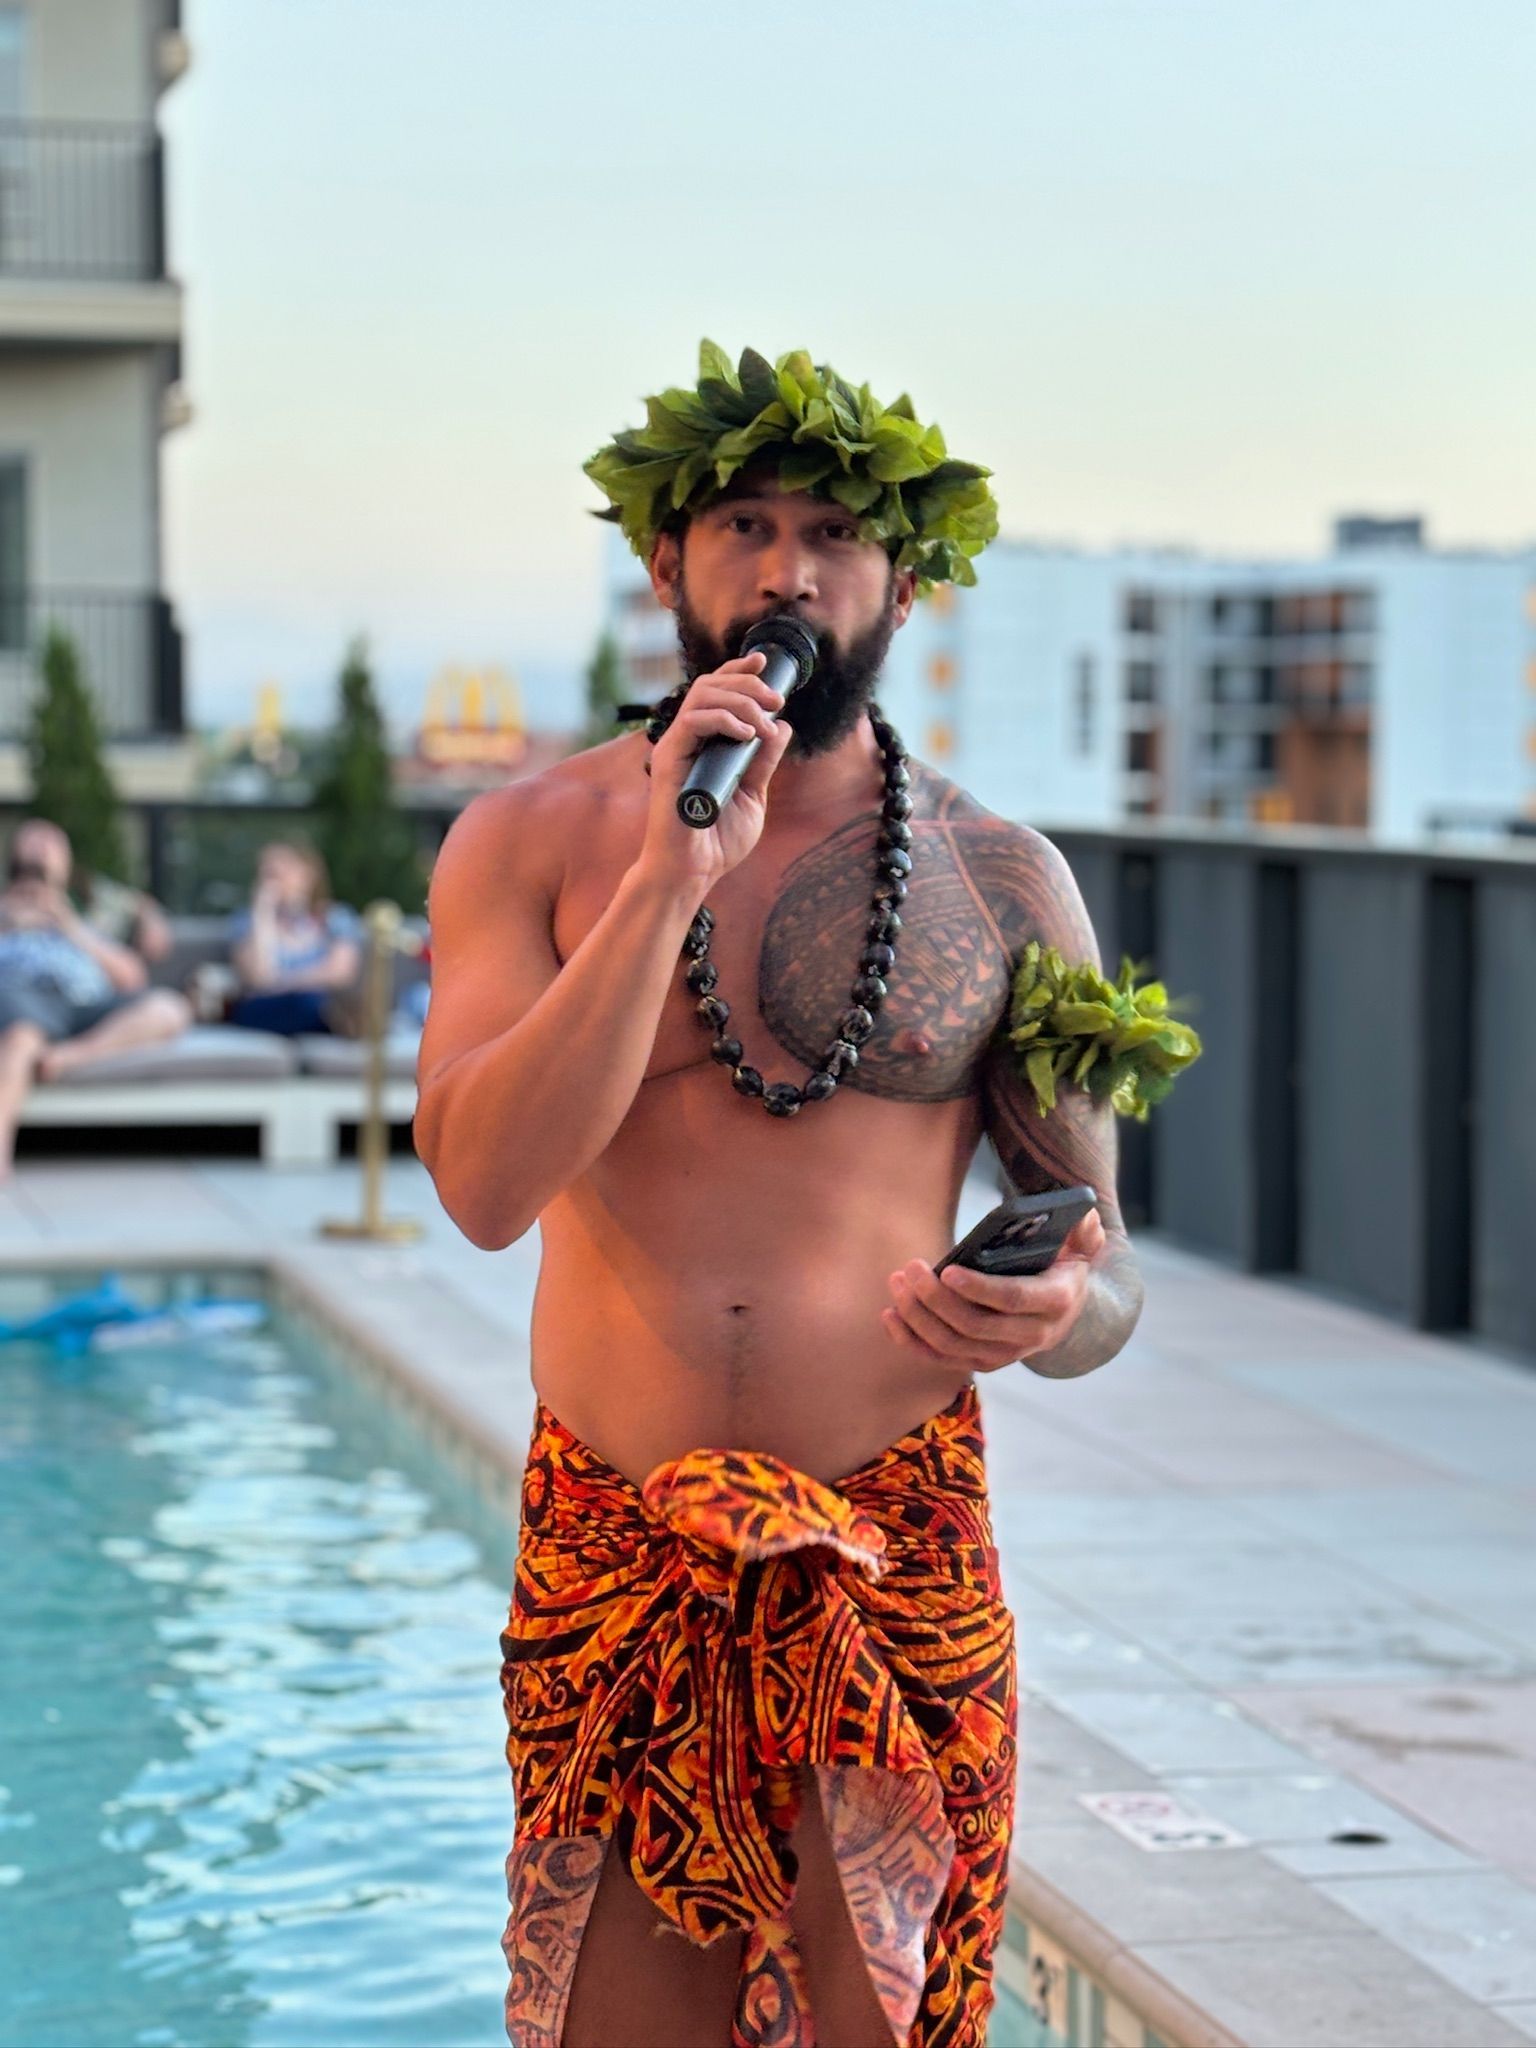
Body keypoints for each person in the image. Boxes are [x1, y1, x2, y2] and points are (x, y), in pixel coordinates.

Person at [416, 343, 1145, 2048]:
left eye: (832, 532)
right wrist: (667, 879)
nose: (786, 570)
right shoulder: (527, 843)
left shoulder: (1006, 883)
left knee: (890, 2019)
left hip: (890, 1543)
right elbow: (481, 1185)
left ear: (902, 581)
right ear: (666, 564)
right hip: (615, 1536)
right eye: (742, 522)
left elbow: (1107, 1283)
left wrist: (1052, 1309)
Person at [0, 818, 191, 1177]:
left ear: (67, 861)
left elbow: (134, 976)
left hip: (87, 1004)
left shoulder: (94, 907)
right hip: (22, 998)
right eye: (33, 840)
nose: (42, 847)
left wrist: (68, 923)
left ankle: (66, 1057)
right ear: (14, 855)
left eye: (52, 842)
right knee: (21, 1036)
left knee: (170, 1008)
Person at [224, 839, 363, 1036]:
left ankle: (339, 1021)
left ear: (308, 874)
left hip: (317, 1000)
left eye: (282, 873)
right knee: (306, 1004)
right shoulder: (248, 921)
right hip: (265, 1008)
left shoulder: (335, 917)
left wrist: (282, 982)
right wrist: (263, 914)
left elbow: (340, 973)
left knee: (314, 1002)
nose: (274, 882)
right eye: (268, 875)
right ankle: (339, 1023)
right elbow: (259, 977)